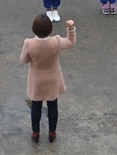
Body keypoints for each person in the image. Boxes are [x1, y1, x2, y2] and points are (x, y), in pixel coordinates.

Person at [20, 13, 76, 144]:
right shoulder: (56, 41)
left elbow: (24, 60)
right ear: (51, 29)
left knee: (36, 106)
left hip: (37, 81)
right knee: (53, 106)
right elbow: (70, 42)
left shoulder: (29, 43)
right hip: (53, 79)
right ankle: (52, 132)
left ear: (34, 29)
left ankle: (35, 132)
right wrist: (71, 29)